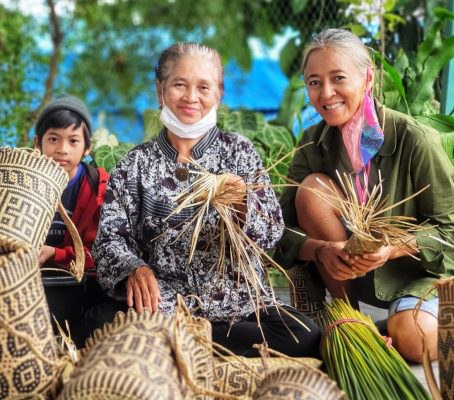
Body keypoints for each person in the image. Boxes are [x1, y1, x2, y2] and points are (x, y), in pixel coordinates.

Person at [92, 43, 320, 358]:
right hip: (166, 303)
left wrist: (241, 204)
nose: (191, 97)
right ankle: (201, 340)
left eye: (203, 86)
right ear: (161, 91)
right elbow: (108, 240)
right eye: (179, 85)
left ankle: (185, 340)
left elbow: (270, 234)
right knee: (98, 320)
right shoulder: (137, 163)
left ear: (219, 93)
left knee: (304, 335)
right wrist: (135, 268)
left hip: (238, 304)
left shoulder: (239, 152)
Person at [274, 29, 454, 363]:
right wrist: (322, 250)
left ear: (368, 78)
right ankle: (352, 320)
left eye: (338, 78)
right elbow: (279, 232)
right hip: (348, 279)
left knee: (416, 341)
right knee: (313, 190)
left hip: (412, 277)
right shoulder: (311, 143)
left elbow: (448, 235)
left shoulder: (415, 140)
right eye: (314, 82)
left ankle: (394, 325)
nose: (326, 93)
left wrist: (392, 247)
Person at [34, 95, 109, 345]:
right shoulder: (22, 184)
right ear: (38, 142)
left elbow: (99, 254)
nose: (62, 149)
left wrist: (55, 253)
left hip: (77, 286)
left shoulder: (99, 187)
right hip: (30, 281)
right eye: (53, 139)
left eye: (73, 140)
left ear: (87, 148)